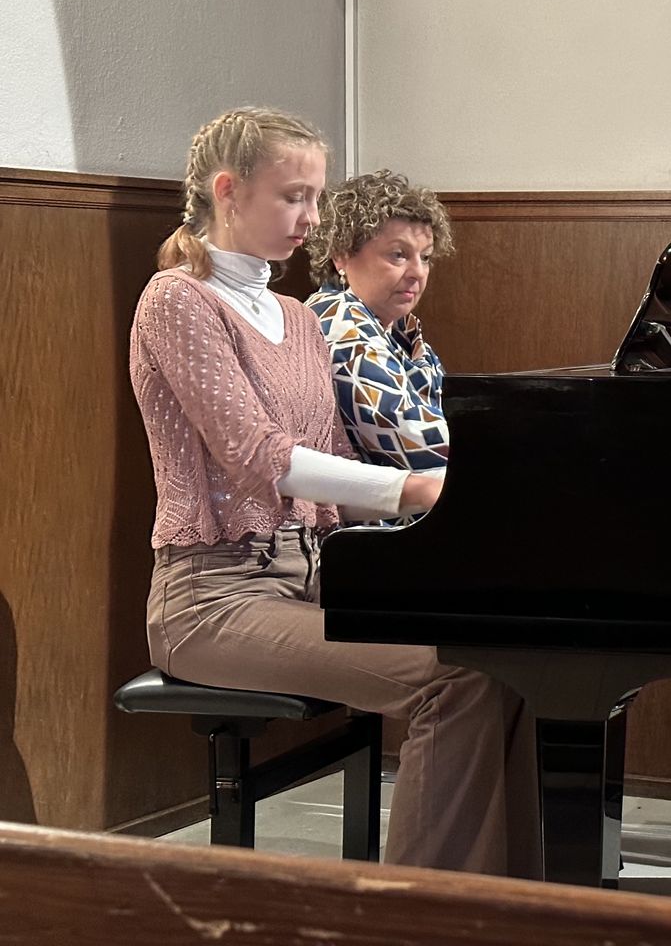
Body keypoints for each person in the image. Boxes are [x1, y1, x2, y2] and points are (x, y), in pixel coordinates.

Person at [130, 107, 534, 876]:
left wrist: (478, 495)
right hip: (211, 601)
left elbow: (337, 477)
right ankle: (414, 916)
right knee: (454, 680)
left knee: (505, 659)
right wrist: (414, 487)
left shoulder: (297, 318)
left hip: (315, 578)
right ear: (228, 191)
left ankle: (508, 906)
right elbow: (261, 457)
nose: (312, 218)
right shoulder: (176, 300)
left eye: (316, 198)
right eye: (295, 197)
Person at [304, 170, 453, 487]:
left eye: (426, 257)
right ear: (341, 255)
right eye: (398, 255)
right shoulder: (338, 322)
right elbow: (411, 441)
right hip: (372, 513)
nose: (418, 272)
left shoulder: (398, 330)